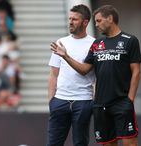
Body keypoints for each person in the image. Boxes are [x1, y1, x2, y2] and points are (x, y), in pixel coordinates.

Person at [51, 5, 141, 146]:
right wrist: (66, 56)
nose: (96, 25)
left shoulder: (130, 40)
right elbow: (84, 69)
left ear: (110, 19)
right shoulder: (97, 43)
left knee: (130, 143)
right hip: (100, 104)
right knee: (107, 143)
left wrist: (130, 99)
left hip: (121, 101)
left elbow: (136, 71)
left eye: (99, 21)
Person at [47, 4, 95, 146]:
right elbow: (53, 74)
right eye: (69, 18)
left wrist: (94, 102)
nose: (70, 22)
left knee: (80, 143)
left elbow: (93, 74)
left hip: (83, 101)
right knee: (53, 143)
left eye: (74, 19)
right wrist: (52, 101)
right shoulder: (61, 42)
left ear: (85, 22)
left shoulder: (95, 44)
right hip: (60, 100)